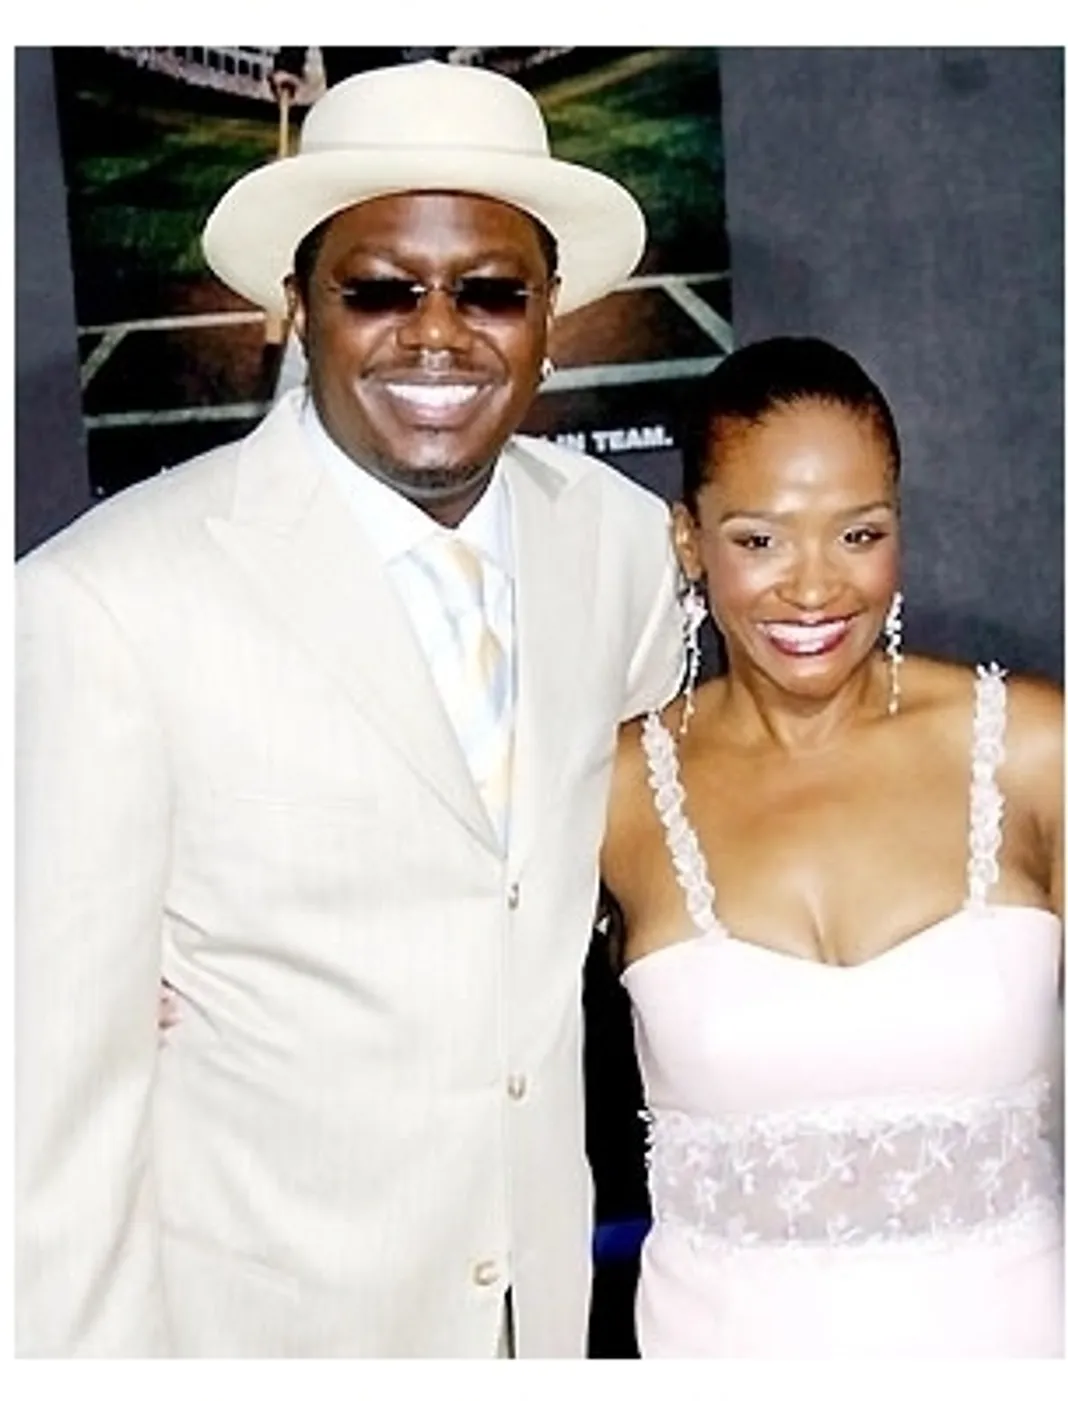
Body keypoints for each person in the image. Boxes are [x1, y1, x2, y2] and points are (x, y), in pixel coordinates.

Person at [16, 59, 683, 1358]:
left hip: (539, 1322)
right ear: (298, 306)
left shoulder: (620, 548)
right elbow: (48, 1136)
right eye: (378, 289)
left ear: (554, 313)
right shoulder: (105, 603)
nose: (438, 334)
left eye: (493, 290)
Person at [601, 336, 1064, 1358]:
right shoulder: (615, 793)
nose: (815, 589)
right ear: (690, 541)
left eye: (858, 535)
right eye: (761, 540)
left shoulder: (1035, 752)